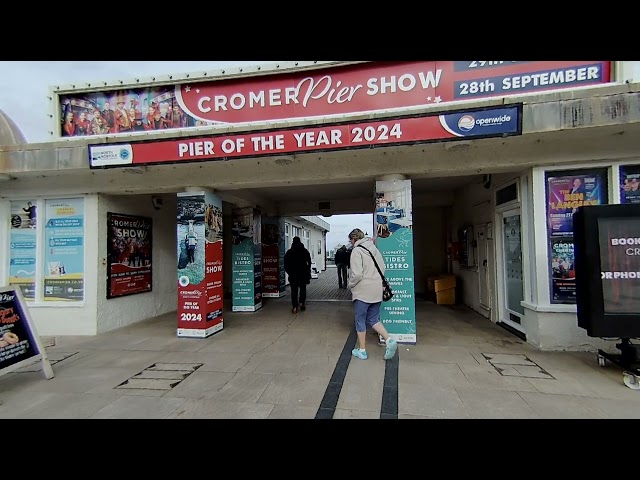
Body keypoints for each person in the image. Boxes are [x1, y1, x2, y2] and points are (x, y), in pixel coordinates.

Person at [347, 228, 397, 361]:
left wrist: (350, 284)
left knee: (360, 320)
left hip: (363, 292)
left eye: (350, 240)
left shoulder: (357, 251)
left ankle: (362, 350)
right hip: (376, 291)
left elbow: (357, 274)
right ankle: (389, 340)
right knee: (374, 319)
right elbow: (383, 268)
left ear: (354, 239)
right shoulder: (373, 248)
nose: (351, 243)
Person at [284, 236, 311, 314]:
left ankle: (295, 306)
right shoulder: (305, 251)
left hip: (293, 275)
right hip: (303, 275)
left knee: (294, 291)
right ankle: (302, 303)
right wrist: (307, 271)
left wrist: (289, 272)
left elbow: (286, 264)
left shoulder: (289, 252)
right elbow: (309, 262)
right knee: (303, 289)